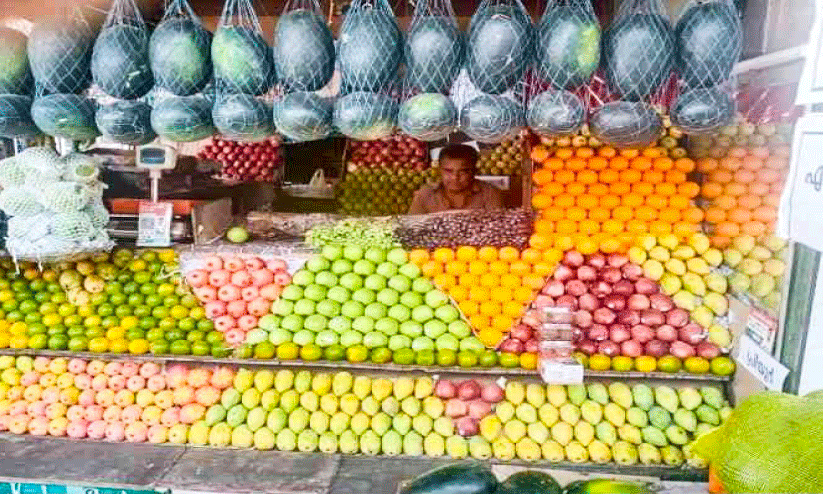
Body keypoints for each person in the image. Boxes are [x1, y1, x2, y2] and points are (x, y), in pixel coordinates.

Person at [408, 143, 504, 214]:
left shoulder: (489, 193)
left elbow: (498, 229)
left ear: (474, 171)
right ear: (439, 170)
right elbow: (412, 231)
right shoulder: (424, 196)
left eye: (463, 171)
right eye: (448, 171)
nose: (455, 177)